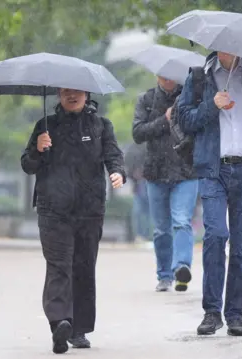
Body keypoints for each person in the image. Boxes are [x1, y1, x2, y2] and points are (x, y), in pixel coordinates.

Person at [177, 51, 242, 336]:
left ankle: (235, 314)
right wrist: (211, 106)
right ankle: (212, 312)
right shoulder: (200, 77)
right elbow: (183, 119)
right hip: (213, 169)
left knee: (241, 246)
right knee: (215, 235)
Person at [21, 88, 126, 354]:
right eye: (66, 91)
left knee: (83, 266)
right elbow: (27, 164)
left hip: (89, 210)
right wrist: (38, 148)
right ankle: (59, 323)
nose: (71, 96)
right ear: (58, 94)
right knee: (59, 266)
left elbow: (113, 155)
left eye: (76, 91)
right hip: (53, 209)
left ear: (87, 94)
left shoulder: (101, 125)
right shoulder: (45, 126)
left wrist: (118, 173)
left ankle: (78, 329)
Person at [132, 76, 199, 292]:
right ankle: (164, 275)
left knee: (181, 221)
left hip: (186, 171)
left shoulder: (189, 98)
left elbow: (200, 127)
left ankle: (182, 267)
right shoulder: (147, 100)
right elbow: (138, 133)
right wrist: (165, 119)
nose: (167, 78)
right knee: (161, 229)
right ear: (157, 75)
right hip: (156, 172)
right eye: (163, 73)